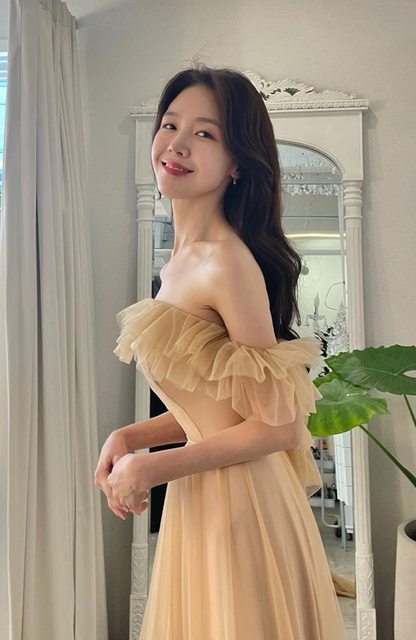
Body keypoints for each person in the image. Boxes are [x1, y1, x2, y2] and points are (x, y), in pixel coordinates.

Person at [94, 64, 348, 639]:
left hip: (245, 504)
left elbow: (279, 426)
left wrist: (153, 466)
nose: (177, 144)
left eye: (205, 133)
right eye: (170, 124)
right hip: (207, 493)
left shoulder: (225, 261)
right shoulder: (180, 262)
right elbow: (220, 409)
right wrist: (130, 437)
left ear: (237, 163)